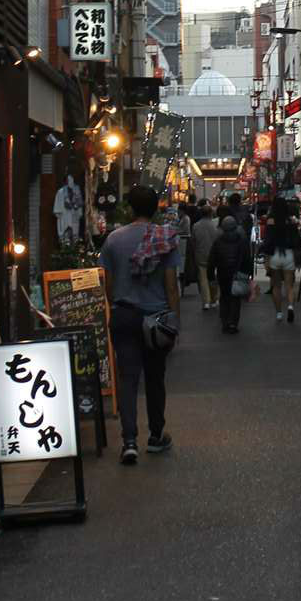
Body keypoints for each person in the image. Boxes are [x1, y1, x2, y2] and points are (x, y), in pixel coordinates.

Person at [99, 184, 181, 466]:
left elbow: (107, 285)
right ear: (156, 207)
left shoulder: (113, 240)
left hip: (124, 313)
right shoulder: (166, 238)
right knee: (155, 377)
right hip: (156, 318)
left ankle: (129, 441)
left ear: (131, 209)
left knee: (128, 378)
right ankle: (156, 435)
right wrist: (175, 320)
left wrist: (119, 303)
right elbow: (172, 285)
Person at [208, 213, 253, 335]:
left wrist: (211, 276)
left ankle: (225, 321)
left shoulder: (218, 242)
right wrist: (249, 274)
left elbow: (211, 260)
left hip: (223, 273)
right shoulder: (242, 240)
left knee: (224, 297)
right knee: (235, 299)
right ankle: (233, 322)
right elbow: (247, 258)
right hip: (237, 273)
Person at [261, 197, 301, 324]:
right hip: (288, 254)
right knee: (289, 286)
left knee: (276, 287)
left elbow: (267, 242)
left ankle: (279, 313)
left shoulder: (270, 221)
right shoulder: (291, 221)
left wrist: (266, 259)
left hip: (275, 255)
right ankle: (290, 306)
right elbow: (297, 241)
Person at [191, 203, 220, 311]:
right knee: (213, 277)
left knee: (203, 279)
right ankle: (215, 298)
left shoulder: (195, 226)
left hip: (200, 254)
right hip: (214, 255)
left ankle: (206, 301)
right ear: (211, 213)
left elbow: (193, 242)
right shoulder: (215, 226)